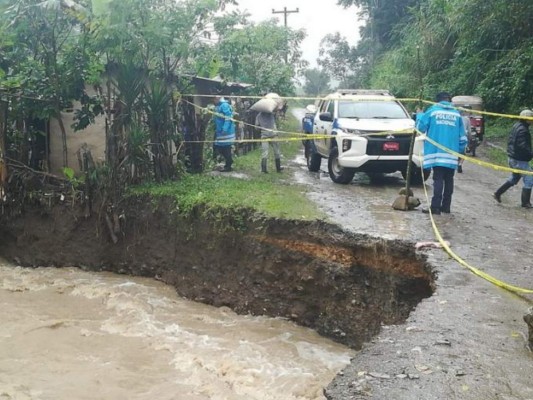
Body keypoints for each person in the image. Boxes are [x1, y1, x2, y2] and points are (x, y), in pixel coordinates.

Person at [416, 92, 467, 215]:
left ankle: (435, 207)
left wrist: (419, 115)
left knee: (438, 179)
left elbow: (420, 128)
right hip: (451, 155)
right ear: (449, 100)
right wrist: (460, 152)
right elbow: (463, 137)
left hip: (436, 153)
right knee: (449, 179)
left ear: (437, 101)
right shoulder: (456, 114)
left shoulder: (433, 111)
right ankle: (446, 207)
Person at [493, 109, 533, 208]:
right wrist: (530, 153)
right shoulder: (523, 129)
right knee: (529, 178)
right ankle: (525, 203)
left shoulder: (516, 126)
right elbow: (522, 146)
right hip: (519, 160)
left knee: (515, 178)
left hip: (512, 158)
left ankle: (498, 193)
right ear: (527, 119)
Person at [213, 96, 235, 172]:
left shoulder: (224, 105)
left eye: (214, 99)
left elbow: (228, 117)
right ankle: (228, 163)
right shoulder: (219, 106)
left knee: (225, 149)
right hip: (220, 131)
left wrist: (225, 128)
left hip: (226, 132)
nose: (213, 101)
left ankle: (228, 165)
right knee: (221, 148)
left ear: (218, 98)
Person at [457, 107, 472, 173]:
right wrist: (470, 138)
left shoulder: (456, 118)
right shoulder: (467, 119)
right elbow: (469, 130)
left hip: (456, 137)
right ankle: (460, 164)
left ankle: (456, 163)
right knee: (463, 152)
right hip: (464, 137)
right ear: (464, 112)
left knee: (455, 151)